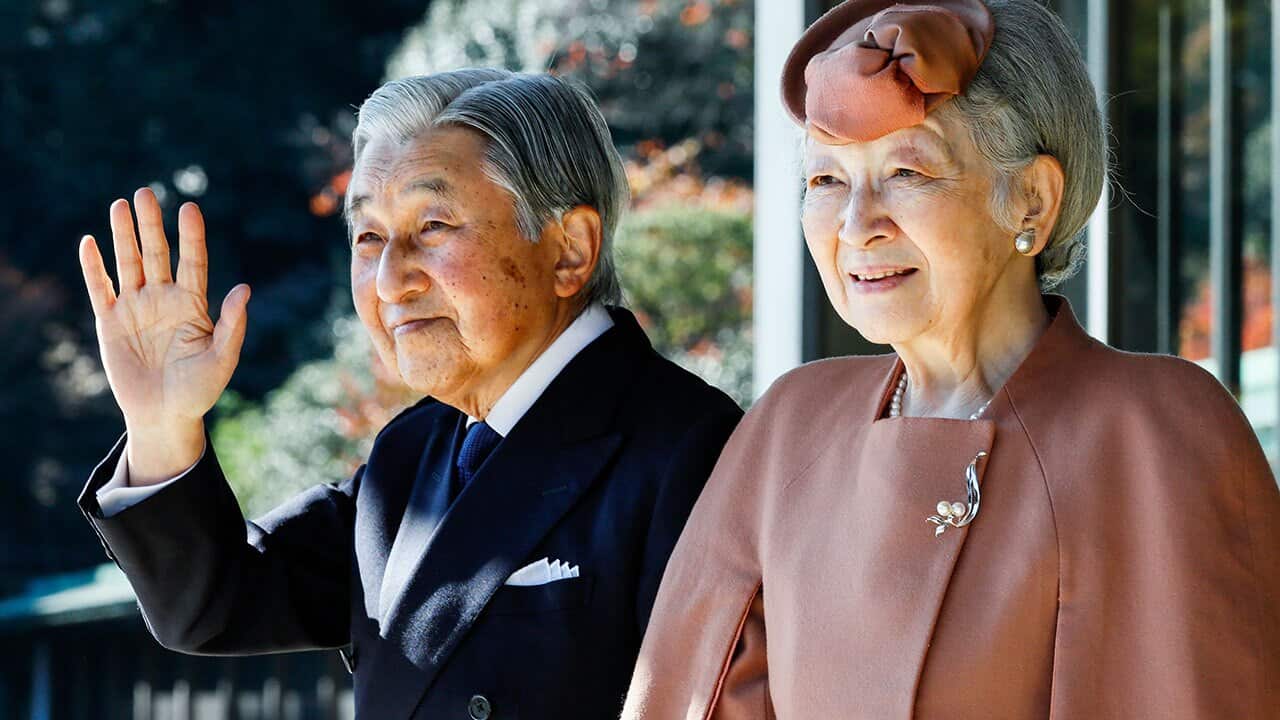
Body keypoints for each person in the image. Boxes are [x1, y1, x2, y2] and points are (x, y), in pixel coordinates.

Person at [622, 1, 1280, 718]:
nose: (856, 226)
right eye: (826, 181)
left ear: (1031, 200)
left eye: (906, 172)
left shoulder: (1153, 431)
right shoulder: (789, 426)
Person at [75, 68, 742, 719]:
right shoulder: (412, 453)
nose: (391, 281)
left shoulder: (696, 453)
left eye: (433, 227)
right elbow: (215, 604)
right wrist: (162, 425)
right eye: (369, 236)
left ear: (569, 250)